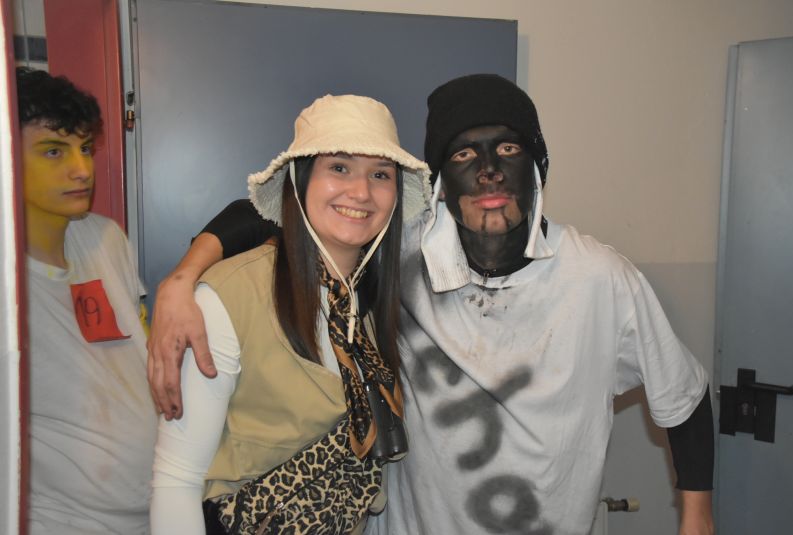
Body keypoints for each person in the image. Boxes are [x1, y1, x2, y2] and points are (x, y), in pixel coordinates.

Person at [148, 75, 714, 535]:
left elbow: (684, 397)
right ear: (442, 180)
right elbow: (277, 218)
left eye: (509, 149)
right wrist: (184, 277)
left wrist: (697, 517)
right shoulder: (404, 256)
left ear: (537, 166)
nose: (489, 170)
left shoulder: (600, 279)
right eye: (465, 153)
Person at [149, 94, 431, 534]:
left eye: (380, 174)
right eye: (339, 167)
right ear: (300, 181)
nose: (361, 192)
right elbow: (176, 481)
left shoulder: (374, 305)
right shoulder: (230, 297)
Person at [18, 67, 157, 534]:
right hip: (64, 523)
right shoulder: (9, 284)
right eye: (53, 151)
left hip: (156, 513)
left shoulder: (104, 238)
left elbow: (139, 355)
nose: (81, 169)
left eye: (84, 148)